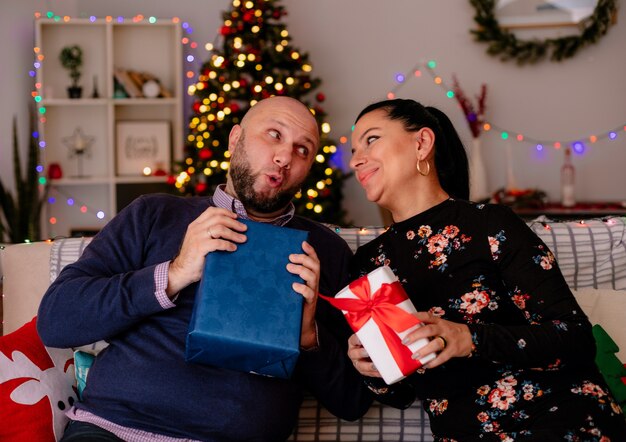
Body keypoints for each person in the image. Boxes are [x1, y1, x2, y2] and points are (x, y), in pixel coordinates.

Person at [37, 96, 374, 441]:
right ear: (234, 139)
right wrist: (175, 273)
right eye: (274, 134)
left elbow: (352, 401)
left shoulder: (324, 252)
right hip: (114, 429)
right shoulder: (154, 214)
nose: (285, 157)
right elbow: (56, 320)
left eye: (303, 150)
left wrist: (306, 335)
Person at [347, 98, 626, 440]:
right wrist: (372, 371)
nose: (355, 159)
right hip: (464, 432)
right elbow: (404, 393)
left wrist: (470, 338)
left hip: (556, 415)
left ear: (422, 143)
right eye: (353, 149)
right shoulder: (368, 264)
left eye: (371, 139)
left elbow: (576, 339)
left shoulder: (490, 225)